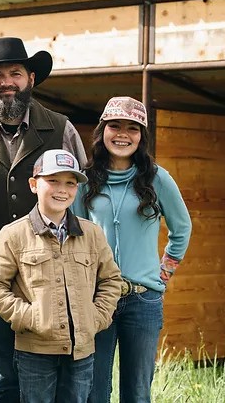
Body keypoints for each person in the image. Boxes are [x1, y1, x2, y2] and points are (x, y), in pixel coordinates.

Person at [0, 36, 88, 402]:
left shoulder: (62, 128)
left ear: (31, 77)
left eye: (15, 73)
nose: (6, 82)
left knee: (59, 374)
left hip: (52, 276)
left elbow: (82, 200)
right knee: (3, 378)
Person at [72, 96, 192, 403]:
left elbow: (182, 229)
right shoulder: (86, 180)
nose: (122, 134)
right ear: (103, 131)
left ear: (142, 136)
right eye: (115, 126)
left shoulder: (157, 178)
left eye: (132, 128)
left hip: (143, 300)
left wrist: (164, 272)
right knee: (93, 391)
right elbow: (75, 234)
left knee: (137, 393)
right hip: (97, 298)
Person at [0, 149, 122, 403]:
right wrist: (29, 316)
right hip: (35, 352)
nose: (62, 189)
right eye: (53, 180)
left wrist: (96, 317)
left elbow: (111, 280)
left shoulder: (92, 234)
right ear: (34, 185)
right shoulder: (13, 235)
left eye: (70, 183)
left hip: (81, 351)